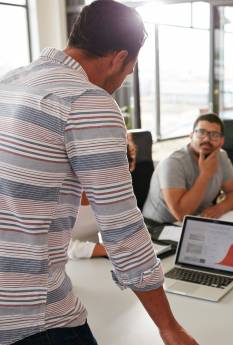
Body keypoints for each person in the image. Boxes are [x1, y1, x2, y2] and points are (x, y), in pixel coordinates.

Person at [0, 1, 197, 344]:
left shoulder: (11, 81)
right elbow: (122, 229)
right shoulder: (86, 100)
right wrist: (169, 326)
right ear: (119, 58)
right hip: (33, 313)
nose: (121, 83)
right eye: (128, 72)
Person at [142, 113, 233, 223]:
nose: (206, 139)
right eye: (201, 132)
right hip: (159, 228)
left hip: (197, 221)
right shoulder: (173, 163)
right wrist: (205, 175)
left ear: (222, 141)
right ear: (191, 136)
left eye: (214, 135)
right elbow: (181, 214)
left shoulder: (220, 156)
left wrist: (219, 208)